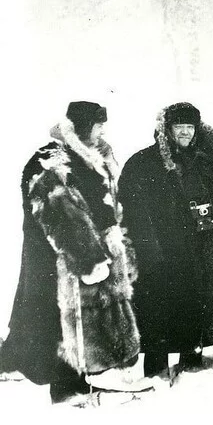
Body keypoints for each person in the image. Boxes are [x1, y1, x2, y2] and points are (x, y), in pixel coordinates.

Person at [0, 101, 140, 403]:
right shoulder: (51, 160)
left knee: (77, 322)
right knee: (57, 322)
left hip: (86, 251)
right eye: (98, 125)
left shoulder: (90, 156)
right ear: (81, 126)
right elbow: (58, 211)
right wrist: (87, 256)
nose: (102, 131)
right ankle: (65, 392)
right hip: (57, 258)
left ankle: (77, 384)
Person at [119, 102, 213, 378]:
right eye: (180, 127)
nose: (186, 133)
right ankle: (155, 370)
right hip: (163, 251)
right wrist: (146, 246)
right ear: (167, 129)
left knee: (197, 302)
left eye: (190, 127)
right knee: (160, 308)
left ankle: (192, 359)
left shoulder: (204, 163)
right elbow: (131, 208)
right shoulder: (143, 163)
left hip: (202, 247)